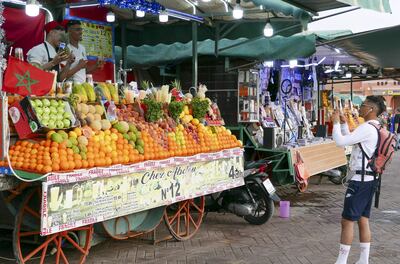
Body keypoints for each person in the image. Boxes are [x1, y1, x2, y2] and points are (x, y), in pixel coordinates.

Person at [331, 95, 387, 264]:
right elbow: (354, 141)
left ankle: (341, 261)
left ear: (372, 109)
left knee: (347, 221)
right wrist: (342, 123)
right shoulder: (376, 127)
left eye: (363, 105)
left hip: (360, 180)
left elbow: (340, 142)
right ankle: (363, 260)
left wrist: (334, 123)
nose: (360, 108)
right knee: (363, 219)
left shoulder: (367, 128)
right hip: (370, 179)